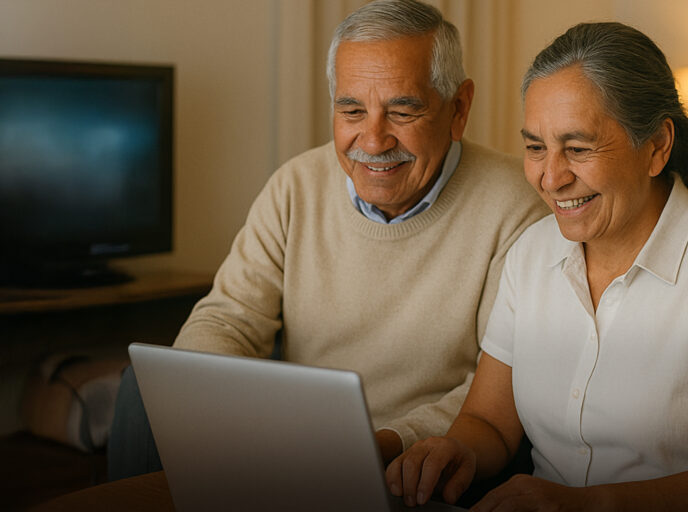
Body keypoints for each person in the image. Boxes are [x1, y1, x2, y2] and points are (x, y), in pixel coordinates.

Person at [108, 0, 547, 480]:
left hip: (414, 461)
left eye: (403, 111)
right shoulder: (296, 185)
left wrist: (384, 443)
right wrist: (209, 400)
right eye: (352, 110)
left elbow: (494, 390)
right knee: (142, 393)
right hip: (290, 441)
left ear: (458, 109)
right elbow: (227, 319)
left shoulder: (517, 206)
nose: (373, 141)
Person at [386, 21, 688, 511]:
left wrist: (584, 504)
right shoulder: (530, 253)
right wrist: (456, 450)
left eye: (578, 149)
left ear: (656, 146)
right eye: (535, 147)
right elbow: (489, 422)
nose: (550, 178)